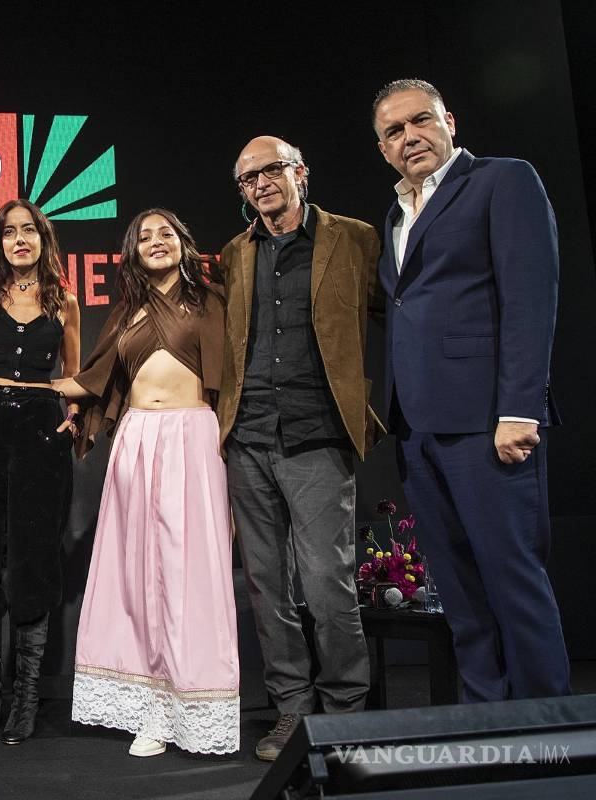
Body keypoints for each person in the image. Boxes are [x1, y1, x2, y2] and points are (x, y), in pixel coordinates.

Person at [371, 79, 569, 701]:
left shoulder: (502, 181)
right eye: (393, 132)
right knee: (458, 591)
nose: (410, 138)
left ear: (448, 122)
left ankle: (547, 731)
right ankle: (484, 721)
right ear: (382, 149)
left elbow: (530, 301)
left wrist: (519, 410)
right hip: (419, 428)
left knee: (512, 580)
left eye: (419, 122)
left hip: (488, 424)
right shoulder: (396, 213)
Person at [218, 136, 381, 761]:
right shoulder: (235, 254)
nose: (260, 184)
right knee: (267, 586)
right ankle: (291, 708)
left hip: (317, 435)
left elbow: (400, 310)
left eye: (270, 170)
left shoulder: (355, 239)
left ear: (300, 172)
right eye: (247, 178)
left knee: (326, 584)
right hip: (249, 437)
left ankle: (345, 712)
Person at [55, 208, 237, 757]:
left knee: (190, 575)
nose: (155, 243)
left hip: (192, 439)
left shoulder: (213, 304)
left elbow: (232, 376)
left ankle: (199, 707)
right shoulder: (127, 313)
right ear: (131, 254)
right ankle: (151, 712)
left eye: (165, 234)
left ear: (184, 243)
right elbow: (94, 380)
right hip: (136, 442)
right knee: (137, 576)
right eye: (143, 238)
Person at [0, 199, 81, 745]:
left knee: (33, 561)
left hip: (40, 432)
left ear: (43, 239)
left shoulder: (65, 301)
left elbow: (73, 372)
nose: (19, 239)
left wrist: (72, 416)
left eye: (28, 231)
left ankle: (25, 701)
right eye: (9, 232)